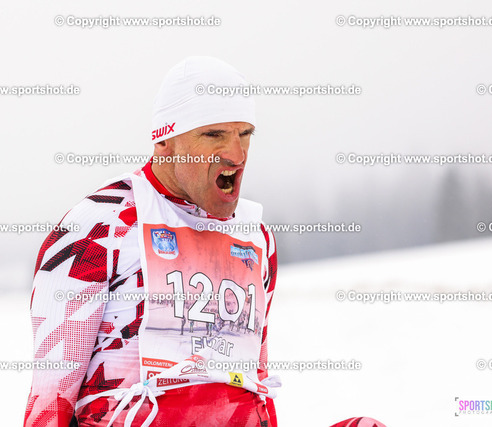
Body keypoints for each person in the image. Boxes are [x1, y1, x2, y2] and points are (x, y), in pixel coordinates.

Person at [24, 56, 386, 427]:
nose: (237, 154)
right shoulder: (99, 226)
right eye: (214, 135)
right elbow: (49, 401)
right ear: (164, 140)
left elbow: (254, 382)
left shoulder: (254, 237)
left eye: (245, 134)